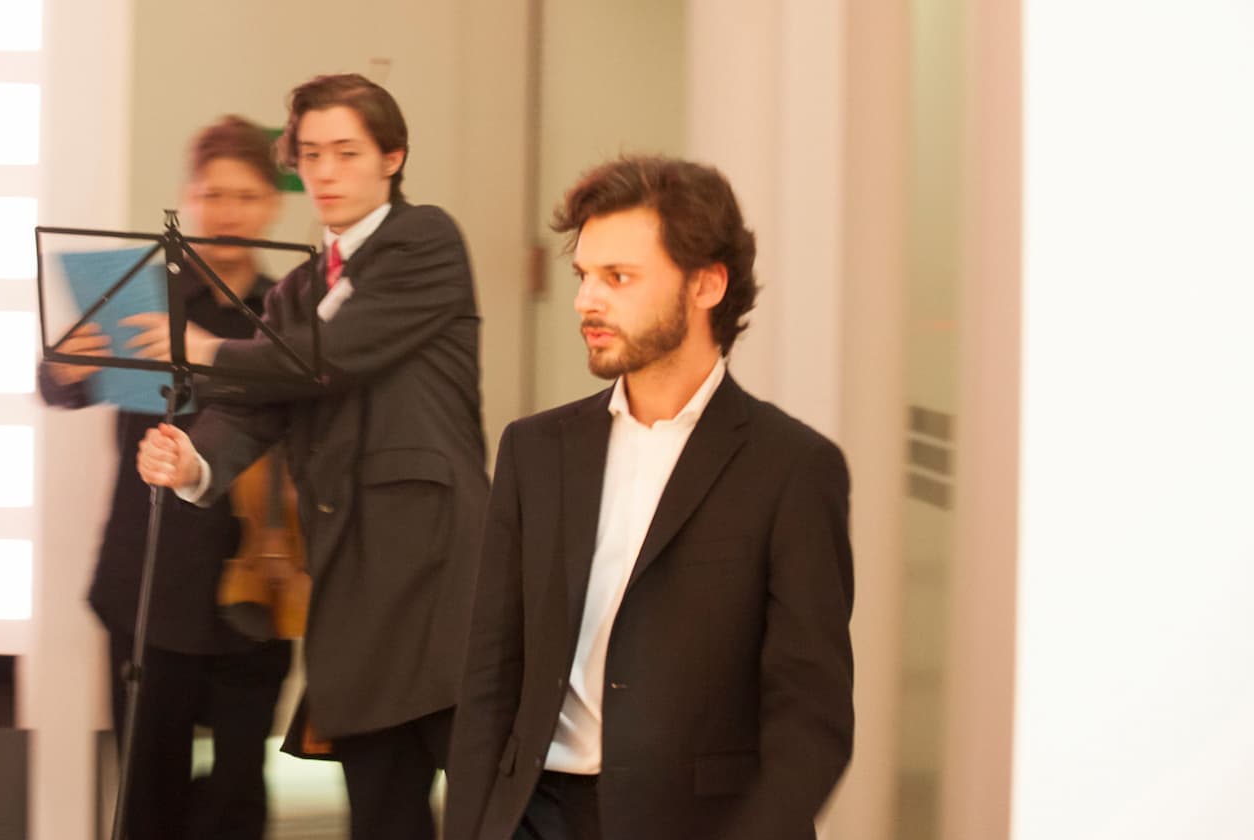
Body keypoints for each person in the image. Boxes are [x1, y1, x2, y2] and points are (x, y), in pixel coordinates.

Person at [444, 156, 855, 840]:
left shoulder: (792, 468)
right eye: (584, 276)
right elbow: (489, 678)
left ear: (706, 284)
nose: (586, 301)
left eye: (619, 278)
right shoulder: (535, 451)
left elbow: (810, 721)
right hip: (534, 815)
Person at [134, 74, 489, 840]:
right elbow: (254, 405)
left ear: (392, 157)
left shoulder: (424, 240)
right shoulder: (296, 289)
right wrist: (191, 465)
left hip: (440, 574)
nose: (325, 171)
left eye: (346, 152)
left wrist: (202, 346)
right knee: (382, 817)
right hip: (349, 584)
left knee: (490, 814)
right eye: (311, 155)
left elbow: (324, 359)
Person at [38, 115, 293, 840]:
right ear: (188, 197)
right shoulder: (141, 295)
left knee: (241, 792)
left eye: (246, 196)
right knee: (148, 795)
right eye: (213, 194)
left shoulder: (288, 310)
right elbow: (57, 385)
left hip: (258, 578)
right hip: (148, 578)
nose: (228, 212)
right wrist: (67, 365)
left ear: (272, 205)